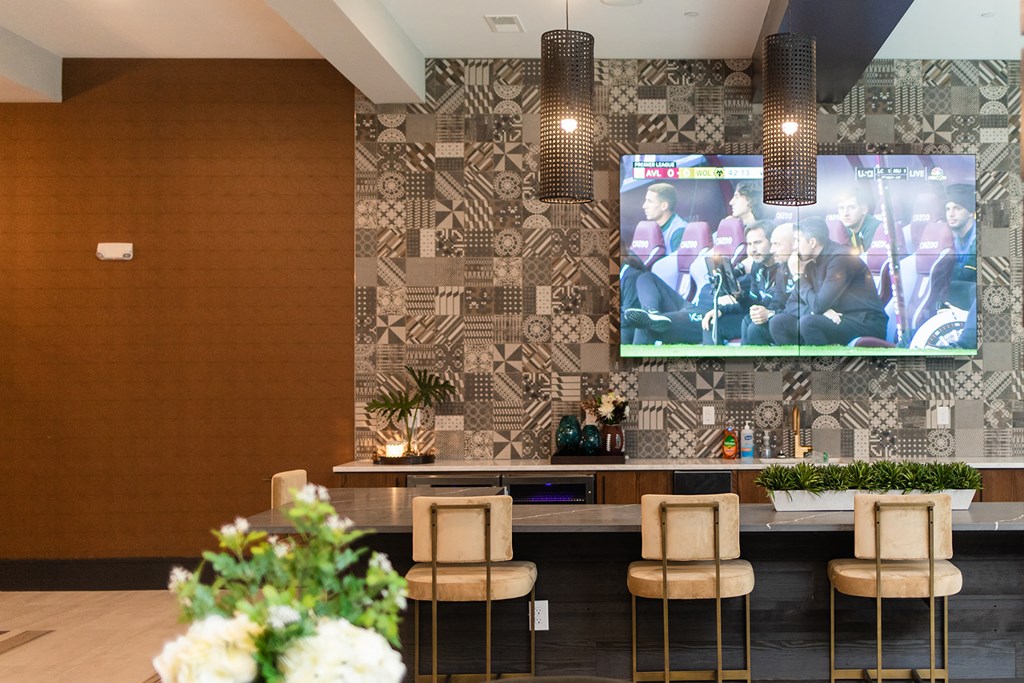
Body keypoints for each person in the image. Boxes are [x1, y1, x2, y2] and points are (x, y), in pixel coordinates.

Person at [768, 217, 888, 347]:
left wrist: (798, 276)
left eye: (797, 241)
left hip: (864, 321)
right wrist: (817, 312)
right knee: (778, 322)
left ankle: (821, 360)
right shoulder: (806, 259)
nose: (794, 246)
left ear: (812, 242)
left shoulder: (841, 258)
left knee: (809, 323)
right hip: (832, 318)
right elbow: (791, 304)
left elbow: (818, 306)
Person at [620, 183, 687, 343]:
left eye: (649, 201)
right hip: (644, 292)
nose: (644, 206)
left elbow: (676, 273)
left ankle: (651, 313)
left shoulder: (679, 231)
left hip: (667, 295)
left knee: (644, 278)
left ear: (664, 205)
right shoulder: (648, 230)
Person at [741, 222, 796, 345]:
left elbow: (795, 305)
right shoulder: (757, 266)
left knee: (761, 325)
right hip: (779, 316)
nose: (753, 249)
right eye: (749, 244)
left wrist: (770, 313)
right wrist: (740, 296)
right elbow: (757, 302)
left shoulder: (787, 265)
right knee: (748, 320)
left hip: (796, 320)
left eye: (757, 242)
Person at [945, 183, 977, 283]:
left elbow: (967, 275)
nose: (951, 214)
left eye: (957, 208)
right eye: (948, 209)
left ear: (971, 212)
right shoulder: (948, 236)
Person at [835, 185, 881, 254]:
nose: (845, 213)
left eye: (851, 207)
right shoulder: (844, 228)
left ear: (864, 210)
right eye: (841, 208)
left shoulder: (875, 228)